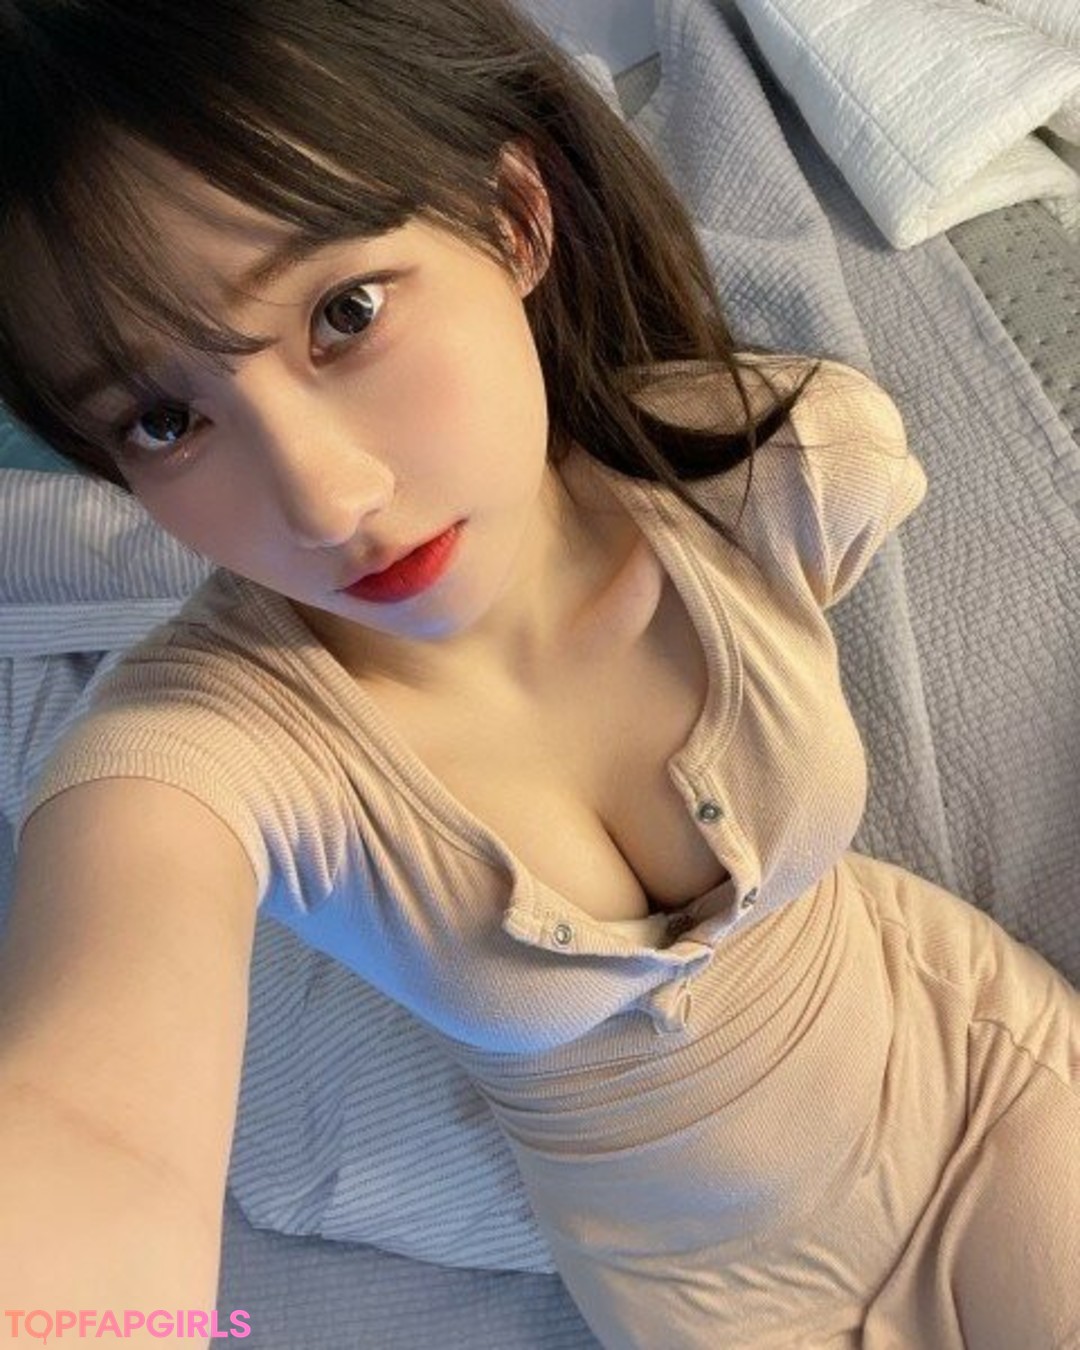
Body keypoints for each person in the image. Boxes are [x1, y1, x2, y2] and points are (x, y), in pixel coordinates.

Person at [0, 1, 1076, 1347]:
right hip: (705, 1305)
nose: (327, 500)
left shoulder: (785, 473)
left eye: (345, 314)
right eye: (164, 421)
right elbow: (89, 1120)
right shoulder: (208, 746)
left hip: (988, 1095)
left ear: (514, 219)